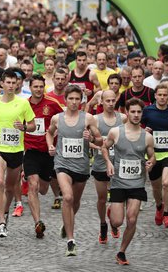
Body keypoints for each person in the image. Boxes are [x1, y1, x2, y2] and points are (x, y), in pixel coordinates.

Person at [47, 85, 102, 256]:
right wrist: (50, 144)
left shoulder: (88, 119)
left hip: (81, 166)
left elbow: (100, 141)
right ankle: (71, 241)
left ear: (81, 100)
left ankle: (66, 222)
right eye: (71, 98)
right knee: (68, 197)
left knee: (75, 202)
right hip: (62, 163)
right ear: (65, 99)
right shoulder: (57, 118)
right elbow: (49, 133)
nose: (74, 102)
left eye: (77, 99)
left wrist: (92, 137)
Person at [102, 98, 156, 266]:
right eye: (132, 111)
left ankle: (122, 252)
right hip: (118, 182)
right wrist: (109, 163)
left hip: (137, 183)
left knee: (132, 219)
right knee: (118, 221)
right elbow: (104, 147)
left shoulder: (147, 137)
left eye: (139, 112)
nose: (136, 115)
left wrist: (151, 162)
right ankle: (112, 214)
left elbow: (152, 156)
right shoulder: (116, 132)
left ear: (142, 114)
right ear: (127, 112)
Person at [0, 70, 36, 239]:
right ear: (2, 84)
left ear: (18, 84)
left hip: (16, 150)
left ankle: (4, 214)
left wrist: (24, 128)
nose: (11, 86)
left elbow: (33, 125)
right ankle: (0, 221)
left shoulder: (23, 103)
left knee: (11, 187)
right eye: (9, 82)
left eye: (14, 83)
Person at [24, 75, 62, 238]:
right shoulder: (23, 104)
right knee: (33, 184)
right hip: (30, 150)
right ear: (30, 87)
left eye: (41, 86)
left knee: (44, 189)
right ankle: (37, 222)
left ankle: (51, 190)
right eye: (35, 86)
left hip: (48, 151)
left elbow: (66, 120)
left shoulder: (53, 105)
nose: (38, 89)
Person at [142, 82, 168, 229]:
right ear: (155, 96)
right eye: (160, 95)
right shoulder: (147, 111)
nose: (163, 97)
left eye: (165, 95)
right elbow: (137, 126)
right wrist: (144, 132)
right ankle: (159, 206)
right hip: (152, 154)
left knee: (166, 182)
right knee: (156, 187)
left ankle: (166, 214)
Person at [89, 90, 126, 243]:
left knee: (117, 198)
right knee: (102, 199)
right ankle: (103, 224)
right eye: (107, 101)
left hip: (118, 165)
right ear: (101, 102)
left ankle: (114, 220)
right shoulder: (95, 120)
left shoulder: (122, 118)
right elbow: (87, 140)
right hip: (100, 164)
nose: (111, 103)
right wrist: (98, 147)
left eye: (113, 100)